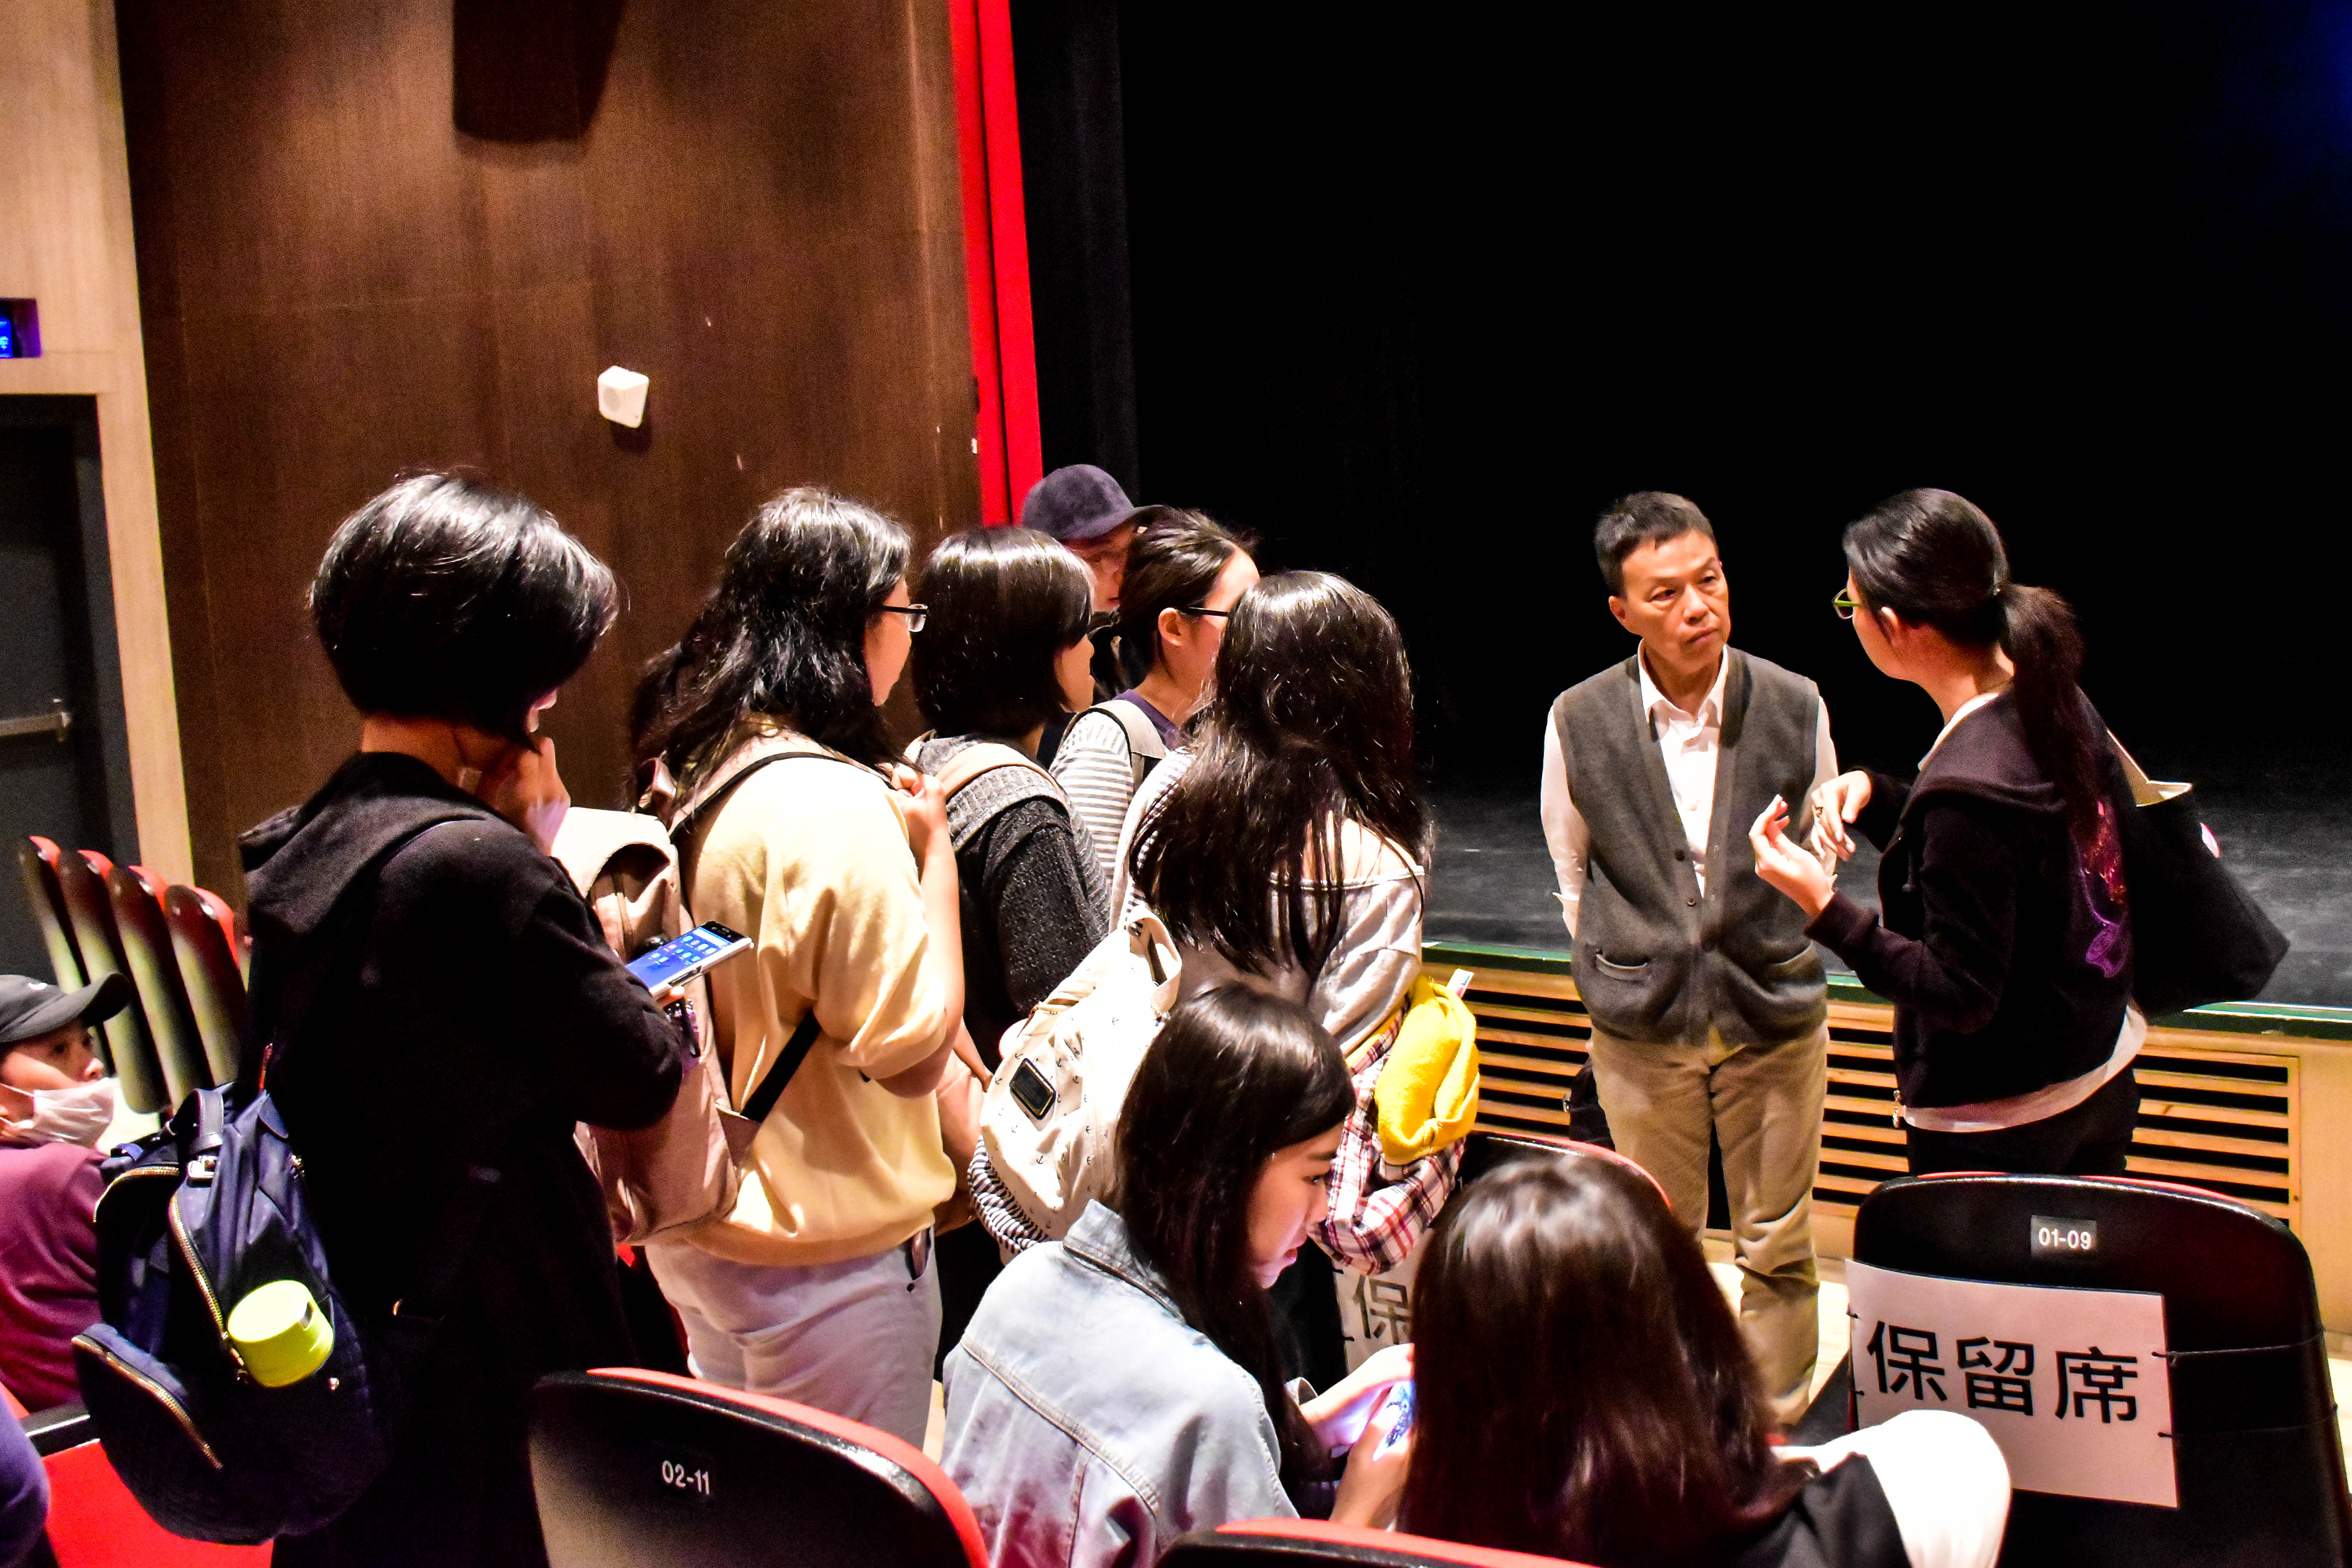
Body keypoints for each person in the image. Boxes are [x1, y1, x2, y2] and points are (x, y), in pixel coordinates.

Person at [244, 472, 685, 1568]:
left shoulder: (305, 837)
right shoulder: (479, 867)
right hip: (492, 1359)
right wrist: (539, 852)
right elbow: (638, 1073)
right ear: (495, 672)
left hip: (361, 1333)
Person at [630, 487, 962, 1449]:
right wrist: (935, 859)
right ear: (853, 623)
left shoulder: (698, 764)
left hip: (705, 1225)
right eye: (904, 612)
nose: (908, 637)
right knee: (843, 1517)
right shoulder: (832, 801)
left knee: (750, 1509)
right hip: (828, 1260)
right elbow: (911, 1056)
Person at [1539, 491, 1838, 1423]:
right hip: (1640, 1022)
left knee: (1777, 1241)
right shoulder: (1578, 716)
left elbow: (1821, 853)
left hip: (1771, 1007)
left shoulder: (1791, 700)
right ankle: (1678, 1423)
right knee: (1660, 1245)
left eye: (1707, 581)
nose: (1696, 607)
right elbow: (1571, 868)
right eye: (1664, 594)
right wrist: (1627, 965)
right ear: (1621, 612)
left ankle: (1772, 1424)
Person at [943, 986, 1416, 1566]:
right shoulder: (1209, 1404)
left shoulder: (1020, 1286)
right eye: (1314, 1176)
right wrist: (1361, 1510)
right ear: (1226, 1172)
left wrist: (1311, 1422)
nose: (1322, 1210)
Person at [1117, 573, 1453, 1381]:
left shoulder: (1165, 793)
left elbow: (1125, 969)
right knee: (1274, 1401)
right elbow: (1332, 1072)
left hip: (1150, 1158)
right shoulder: (1378, 856)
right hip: (1274, 1205)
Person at [1751, 489, 2140, 1176]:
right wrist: (1879, 797)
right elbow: (2005, 856)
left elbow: (1960, 994)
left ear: (1895, 624)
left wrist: (1823, 905)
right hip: (2098, 1074)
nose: (1851, 619)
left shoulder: (1967, 789)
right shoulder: (2053, 698)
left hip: (2002, 1125)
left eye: (1850, 605)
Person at [1400, 1154, 2009, 1567]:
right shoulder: (1900, 1499)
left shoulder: (1405, 1535)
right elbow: (1955, 1450)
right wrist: (1742, 1457)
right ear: (1694, 1321)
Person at [909, 526, 1109, 1363]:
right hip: (1019, 1188)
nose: (1095, 650)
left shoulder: (921, 763)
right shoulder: (1019, 808)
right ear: (1035, 652)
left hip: (942, 1162)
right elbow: (1069, 1019)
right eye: (1081, 631)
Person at [1051, 508, 1258, 902]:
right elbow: (1085, 913)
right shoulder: (1106, 743)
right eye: (1242, 615)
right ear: (1174, 627)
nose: (1261, 631)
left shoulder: (1233, 733)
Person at [0, 973, 129, 1410]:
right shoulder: (61, 1174)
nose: (92, 1065)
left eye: (86, 1042)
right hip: (132, 1425)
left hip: (55, 1433)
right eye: (59, 1050)